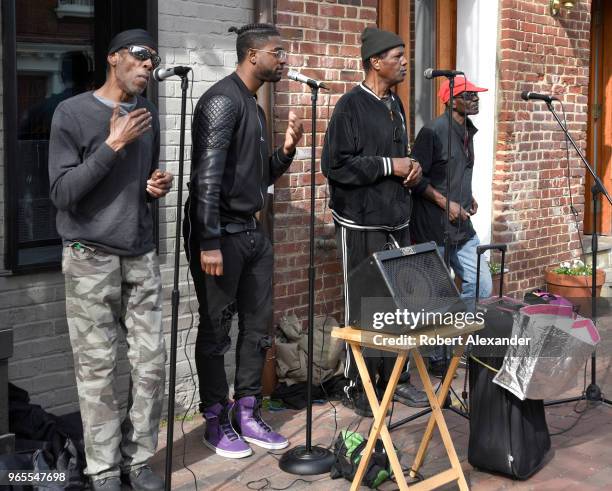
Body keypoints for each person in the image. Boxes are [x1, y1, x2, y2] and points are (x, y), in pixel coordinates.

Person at [49, 29, 172, 491]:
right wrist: (112, 144)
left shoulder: (149, 115)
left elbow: (132, 186)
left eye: (153, 60)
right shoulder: (72, 113)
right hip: (88, 259)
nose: (148, 66)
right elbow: (62, 194)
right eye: (140, 57)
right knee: (97, 372)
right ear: (113, 58)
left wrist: (151, 187)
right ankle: (102, 470)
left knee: (151, 364)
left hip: (139, 254)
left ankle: (137, 459)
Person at [184, 23, 303, 459]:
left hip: (252, 233)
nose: (284, 59)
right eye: (278, 52)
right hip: (220, 235)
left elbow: (258, 179)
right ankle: (215, 418)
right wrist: (209, 241)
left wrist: (287, 152)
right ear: (252, 55)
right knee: (216, 331)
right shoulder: (221, 101)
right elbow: (206, 179)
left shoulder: (253, 107)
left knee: (257, 328)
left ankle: (247, 412)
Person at [321, 27, 429, 416]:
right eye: (397, 56)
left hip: (396, 218)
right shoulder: (350, 106)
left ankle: (395, 380)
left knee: (399, 304)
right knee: (364, 306)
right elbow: (334, 165)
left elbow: (399, 157)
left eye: (404, 56)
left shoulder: (395, 104)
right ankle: (356, 385)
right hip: (360, 222)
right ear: (374, 62)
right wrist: (390, 166)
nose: (404, 63)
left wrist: (412, 168)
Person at [410, 76, 493, 376]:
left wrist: (467, 197)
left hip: (462, 225)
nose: (476, 98)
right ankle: (436, 354)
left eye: (476, 94)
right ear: (450, 99)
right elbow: (415, 179)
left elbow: (454, 172)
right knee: (437, 291)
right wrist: (447, 204)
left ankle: (460, 343)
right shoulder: (432, 132)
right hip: (433, 225)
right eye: (469, 94)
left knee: (482, 283)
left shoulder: (468, 131)